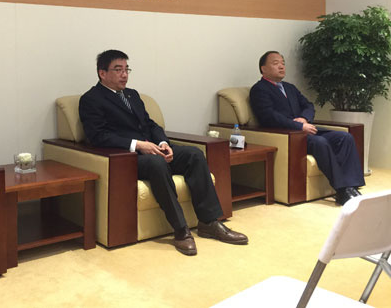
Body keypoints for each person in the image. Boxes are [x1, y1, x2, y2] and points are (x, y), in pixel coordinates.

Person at [79, 49, 248, 256]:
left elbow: (150, 124)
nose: (124, 74)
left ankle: (209, 222)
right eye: (118, 69)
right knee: (156, 163)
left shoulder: (132, 95)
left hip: (153, 148)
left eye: (126, 69)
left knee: (194, 154)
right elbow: (97, 136)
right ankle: (181, 230)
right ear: (102, 73)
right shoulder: (91, 99)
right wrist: (138, 145)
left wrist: (163, 143)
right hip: (127, 158)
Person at [249, 51, 365, 205]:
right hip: (289, 136)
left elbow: (308, 105)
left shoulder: (290, 87)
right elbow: (268, 116)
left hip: (307, 129)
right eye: (276, 63)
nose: (281, 66)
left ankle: (352, 186)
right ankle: (343, 190)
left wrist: (304, 119)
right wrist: (299, 126)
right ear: (263, 69)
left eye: (283, 63)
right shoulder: (259, 89)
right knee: (320, 142)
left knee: (345, 137)